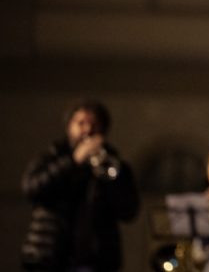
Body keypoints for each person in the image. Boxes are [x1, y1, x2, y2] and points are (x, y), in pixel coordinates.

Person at [21, 99, 140, 271]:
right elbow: (31, 188)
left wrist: (111, 179)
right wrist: (73, 161)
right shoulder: (52, 156)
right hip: (49, 258)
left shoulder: (115, 163)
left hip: (96, 261)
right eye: (81, 123)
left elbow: (129, 211)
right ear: (69, 126)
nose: (88, 130)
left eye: (94, 124)